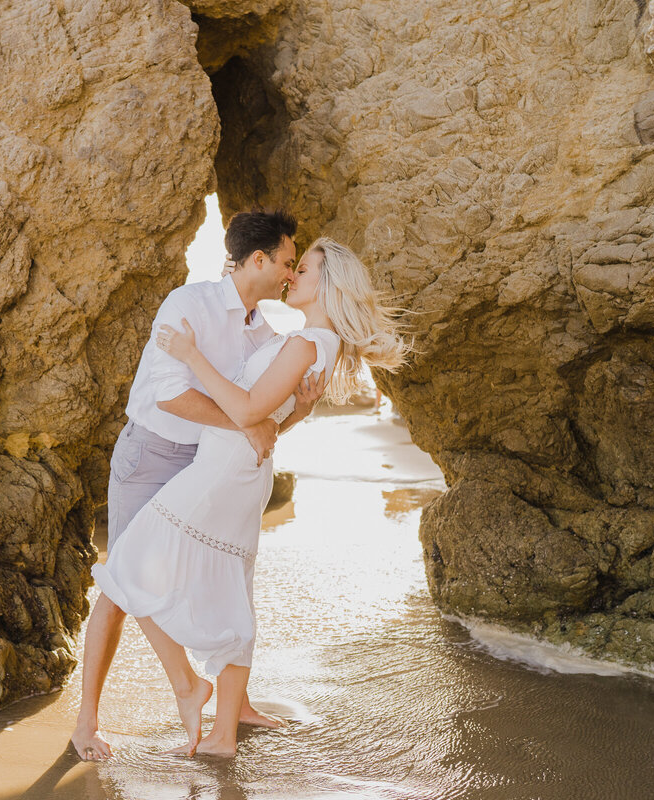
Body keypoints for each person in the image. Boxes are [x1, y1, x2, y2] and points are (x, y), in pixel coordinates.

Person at [92, 237, 410, 756]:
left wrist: (191, 354)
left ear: (325, 287)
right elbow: (275, 415)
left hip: (222, 469)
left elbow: (247, 411)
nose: (293, 277)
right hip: (238, 470)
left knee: (131, 563)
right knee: (230, 587)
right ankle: (223, 733)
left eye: (302, 269)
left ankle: (192, 689)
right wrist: (299, 411)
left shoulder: (306, 344)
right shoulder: (312, 344)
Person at [70, 209, 325, 761]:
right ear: (258, 259)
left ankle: (238, 704)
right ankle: (90, 721)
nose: (289, 273)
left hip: (210, 464)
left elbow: (262, 420)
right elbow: (171, 397)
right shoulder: (188, 306)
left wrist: (295, 411)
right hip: (154, 454)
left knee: (229, 573)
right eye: (286, 262)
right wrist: (247, 421)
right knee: (122, 581)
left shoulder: (268, 332)